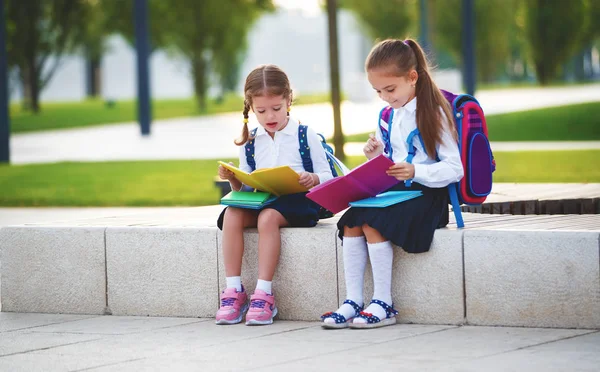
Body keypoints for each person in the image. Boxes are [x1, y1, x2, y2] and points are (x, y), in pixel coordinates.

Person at [321, 38, 463, 329]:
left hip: (427, 198)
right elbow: (390, 161)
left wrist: (416, 171)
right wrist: (377, 156)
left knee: (373, 222)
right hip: (397, 194)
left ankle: (384, 302)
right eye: (378, 91)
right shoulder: (388, 114)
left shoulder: (433, 112)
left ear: (412, 77)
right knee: (351, 221)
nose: (384, 97)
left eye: (390, 89)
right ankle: (353, 300)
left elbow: (454, 168)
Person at [216, 64, 334, 326]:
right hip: (263, 197)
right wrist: (235, 178)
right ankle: (233, 290)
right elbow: (244, 190)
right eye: (261, 110)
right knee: (232, 213)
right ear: (250, 106)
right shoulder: (250, 141)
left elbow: (329, 177)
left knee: (268, 218)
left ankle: (264, 293)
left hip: (299, 201)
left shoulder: (305, 135)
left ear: (288, 100)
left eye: (276, 108)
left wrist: (312, 178)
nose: (270, 115)